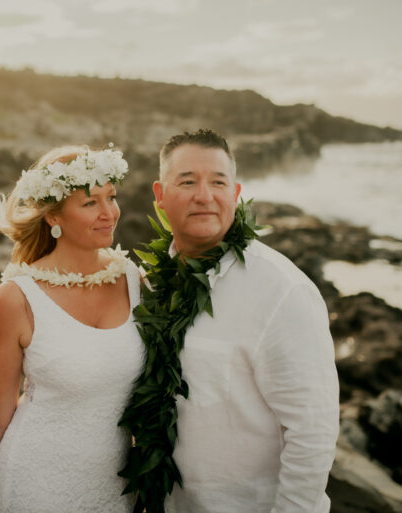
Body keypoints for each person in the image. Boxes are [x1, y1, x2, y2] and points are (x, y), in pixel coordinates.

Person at [123, 129, 339, 513]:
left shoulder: (282, 292)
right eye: (187, 182)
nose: (204, 196)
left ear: (235, 194)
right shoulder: (154, 283)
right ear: (160, 196)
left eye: (218, 182)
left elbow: (312, 433)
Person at [0, 145, 143, 513]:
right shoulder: (17, 299)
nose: (109, 214)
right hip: (34, 484)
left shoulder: (134, 280)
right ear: (53, 217)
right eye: (90, 203)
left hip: (115, 490)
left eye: (111, 197)